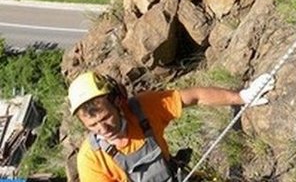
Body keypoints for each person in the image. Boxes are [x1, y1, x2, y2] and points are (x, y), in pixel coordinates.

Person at [68, 70, 275, 182]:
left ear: (119, 102)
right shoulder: (91, 158)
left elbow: (194, 97)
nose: (102, 129)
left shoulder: (143, 109)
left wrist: (241, 97)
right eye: (92, 125)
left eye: (106, 118)